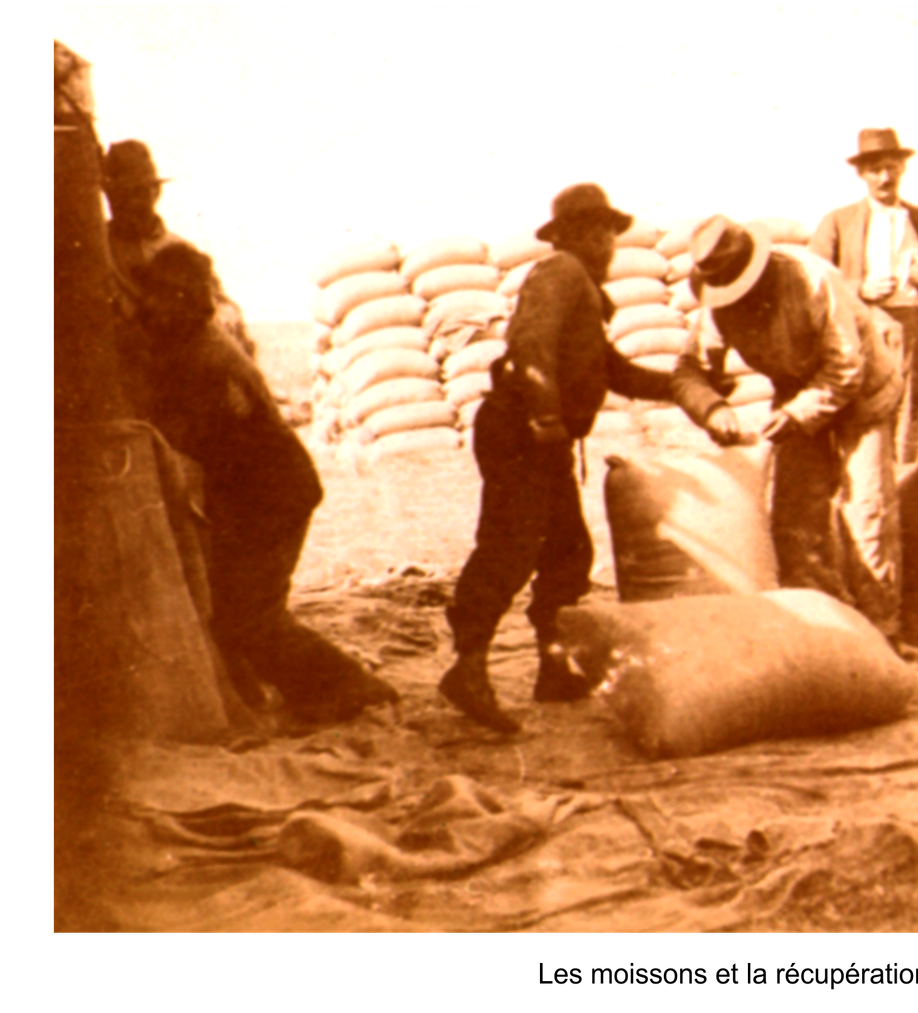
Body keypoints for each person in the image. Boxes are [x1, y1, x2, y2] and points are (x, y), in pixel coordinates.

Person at [127, 244, 402, 724]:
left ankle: (351, 687)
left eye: (166, 296)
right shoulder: (193, 342)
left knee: (250, 617)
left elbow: (199, 431)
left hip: (270, 491)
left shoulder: (202, 355)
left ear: (188, 298)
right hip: (255, 488)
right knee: (236, 610)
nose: (154, 307)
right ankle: (299, 693)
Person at [438, 184, 676, 734]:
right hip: (524, 431)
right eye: (592, 231)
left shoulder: (584, 290)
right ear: (567, 236)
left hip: (542, 437)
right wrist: (545, 414)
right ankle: (467, 669)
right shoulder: (561, 272)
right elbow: (531, 345)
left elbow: (614, 371)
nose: (604, 243)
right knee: (510, 549)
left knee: (568, 552)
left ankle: (556, 668)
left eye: (608, 232)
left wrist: (685, 387)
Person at [672, 215, 905, 639]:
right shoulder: (718, 305)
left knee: (865, 510)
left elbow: (845, 367)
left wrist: (798, 414)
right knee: (795, 515)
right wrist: (711, 408)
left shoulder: (812, 280)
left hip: (862, 390)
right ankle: (824, 627)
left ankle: (881, 632)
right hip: (797, 396)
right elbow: (688, 369)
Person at [809, 128, 918, 464]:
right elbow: (812, 284)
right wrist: (859, 289)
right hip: (860, 331)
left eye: (892, 167)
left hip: (913, 333)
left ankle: (908, 498)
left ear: (902, 169)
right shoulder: (838, 221)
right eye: (875, 169)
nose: (884, 177)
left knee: (912, 419)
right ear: (860, 174)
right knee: (863, 418)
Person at [103, 140, 257, 361]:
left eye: (140, 192)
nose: (133, 203)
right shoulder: (98, 252)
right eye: (123, 194)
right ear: (109, 197)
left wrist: (223, 316)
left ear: (156, 192)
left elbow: (219, 303)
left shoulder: (180, 250)